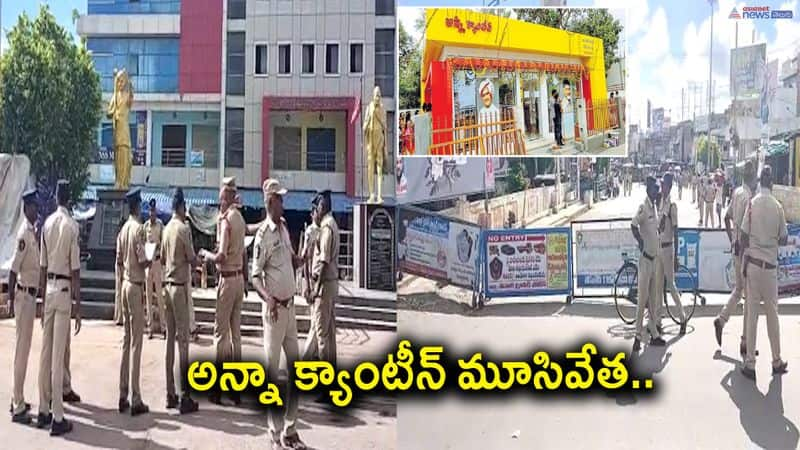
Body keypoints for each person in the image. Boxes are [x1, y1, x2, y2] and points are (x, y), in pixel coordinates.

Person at [251, 179, 306, 450]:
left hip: (291, 308)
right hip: (273, 313)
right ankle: (274, 434)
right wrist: (268, 298)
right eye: (280, 199)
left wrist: (298, 260)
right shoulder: (263, 235)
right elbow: (255, 276)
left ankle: (291, 430)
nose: (284, 203)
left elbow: (290, 258)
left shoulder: (284, 228)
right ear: (270, 201)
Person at [37, 180, 82, 435]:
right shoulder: (71, 226)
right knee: (56, 356)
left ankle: (43, 409)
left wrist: (42, 299)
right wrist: (78, 305)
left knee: (44, 355)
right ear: (69, 199)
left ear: (56, 198)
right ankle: (57, 416)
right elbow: (75, 271)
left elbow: (43, 266)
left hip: (50, 289)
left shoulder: (47, 224)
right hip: (64, 290)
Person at [200, 177, 247, 405]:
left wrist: (205, 254)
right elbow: (244, 252)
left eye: (221, 200)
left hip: (227, 279)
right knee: (236, 336)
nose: (219, 204)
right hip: (238, 280)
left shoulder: (226, 221)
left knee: (220, 335)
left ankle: (218, 388)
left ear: (228, 199)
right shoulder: (239, 218)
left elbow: (220, 256)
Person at [740, 165, 789, 380]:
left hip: (753, 266)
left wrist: (750, 251)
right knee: (772, 316)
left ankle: (750, 364)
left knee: (752, 317)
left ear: (760, 181)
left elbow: (742, 236)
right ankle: (776, 361)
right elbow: (785, 237)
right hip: (769, 269)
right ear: (772, 183)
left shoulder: (752, 204)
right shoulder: (778, 207)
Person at [160, 188, 200, 414]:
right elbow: (191, 258)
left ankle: (170, 392)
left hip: (166, 286)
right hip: (179, 287)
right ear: (182, 207)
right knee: (183, 342)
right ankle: (185, 395)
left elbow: (164, 257)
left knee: (169, 342)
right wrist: (199, 261)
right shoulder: (184, 229)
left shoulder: (166, 229)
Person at [714, 161, 757, 356]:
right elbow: (749, 229)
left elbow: (726, 218)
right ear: (752, 177)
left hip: (737, 249)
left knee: (739, 290)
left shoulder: (738, 192)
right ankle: (745, 341)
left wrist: (733, 240)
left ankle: (722, 319)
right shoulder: (749, 197)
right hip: (746, 252)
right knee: (749, 297)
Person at [116, 188, 151, 416]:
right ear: (138, 205)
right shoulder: (138, 229)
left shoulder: (123, 230)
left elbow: (119, 259)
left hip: (125, 284)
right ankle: (136, 397)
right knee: (137, 343)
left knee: (127, 342)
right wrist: (150, 257)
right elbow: (142, 259)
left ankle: (122, 393)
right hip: (136, 286)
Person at [9, 189, 39, 425]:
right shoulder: (23, 234)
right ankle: (18, 406)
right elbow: (13, 270)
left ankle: (16, 398)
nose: (37, 210)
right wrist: (10, 300)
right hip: (23, 297)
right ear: (26, 207)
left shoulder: (31, 232)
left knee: (24, 351)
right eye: (34, 206)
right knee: (21, 353)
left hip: (30, 297)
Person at [630, 176, 666, 352]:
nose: (657, 192)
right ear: (648, 190)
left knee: (653, 299)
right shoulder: (644, 207)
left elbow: (656, 230)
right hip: (645, 260)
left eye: (657, 189)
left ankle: (653, 333)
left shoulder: (654, 207)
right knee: (643, 298)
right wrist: (640, 241)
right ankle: (637, 336)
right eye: (654, 189)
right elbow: (633, 224)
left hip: (654, 260)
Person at [305, 190, 340, 368]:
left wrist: (315, 289)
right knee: (329, 332)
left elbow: (324, 260)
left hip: (324, 286)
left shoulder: (326, 227)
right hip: (330, 284)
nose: (315, 213)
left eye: (316, 208)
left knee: (322, 335)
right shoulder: (332, 224)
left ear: (322, 206)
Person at [656, 173, 686, 334]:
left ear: (668, 186)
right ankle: (658, 321)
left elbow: (675, 230)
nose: (661, 187)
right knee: (658, 285)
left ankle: (682, 317)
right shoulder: (661, 202)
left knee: (671, 286)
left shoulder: (672, 205)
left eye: (664, 185)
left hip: (668, 248)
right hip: (659, 247)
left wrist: (676, 256)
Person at [145, 198, 166, 339]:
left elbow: (164, 243)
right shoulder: (145, 226)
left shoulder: (160, 225)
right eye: (150, 211)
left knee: (159, 295)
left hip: (157, 262)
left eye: (154, 211)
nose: (152, 214)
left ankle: (163, 327)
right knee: (148, 296)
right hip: (148, 263)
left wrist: (158, 248)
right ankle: (150, 327)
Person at [478, 79, 501, 154]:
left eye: (487, 94)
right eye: (483, 95)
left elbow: (498, 134)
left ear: (491, 94)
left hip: (495, 146)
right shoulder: (481, 113)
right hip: (485, 146)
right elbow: (480, 134)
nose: (485, 98)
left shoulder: (496, 111)